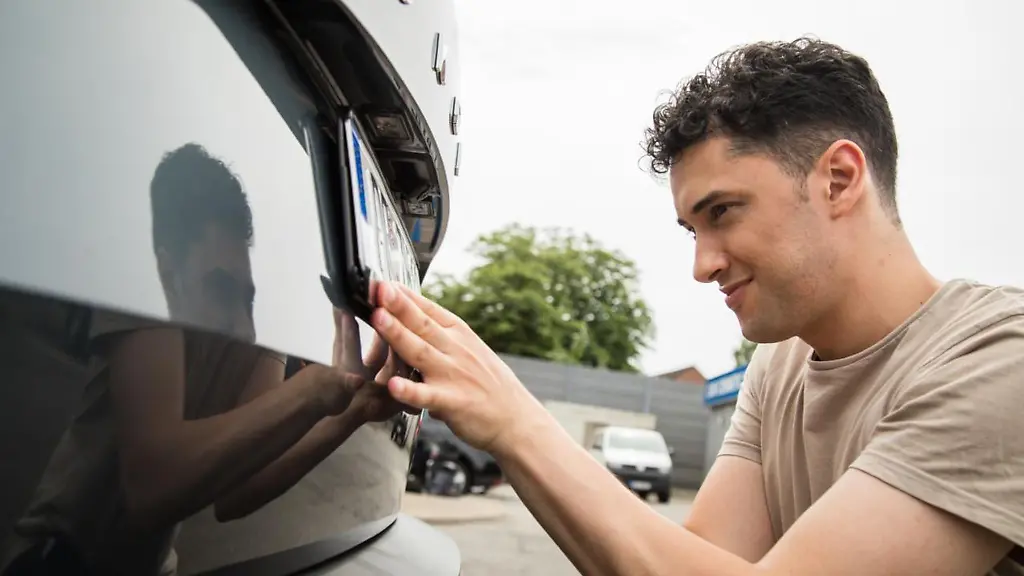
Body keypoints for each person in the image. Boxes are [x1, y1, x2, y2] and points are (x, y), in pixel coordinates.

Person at [364, 37, 1024, 576]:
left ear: (839, 179)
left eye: (724, 212)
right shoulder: (778, 366)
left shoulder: (997, 361)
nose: (703, 264)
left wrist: (515, 424)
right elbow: (696, 562)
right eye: (692, 229)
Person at [1, 144, 406, 576]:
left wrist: (353, 407)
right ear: (166, 270)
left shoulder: (254, 332)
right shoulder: (145, 292)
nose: (244, 326)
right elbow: (152, 486)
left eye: (247, 296)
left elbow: (240, 491)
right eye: (219, 288)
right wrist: (312, 391)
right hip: (56, 562)